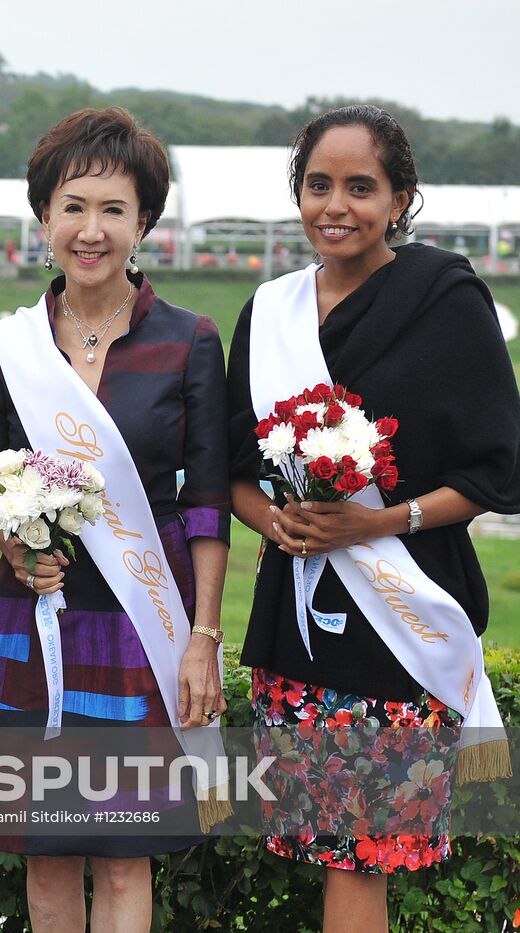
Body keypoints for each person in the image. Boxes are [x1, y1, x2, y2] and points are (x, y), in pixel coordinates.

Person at [226, 104, 520, 933]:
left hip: (404, 622)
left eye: (361, 187)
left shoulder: (447, 300)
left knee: (362, 857)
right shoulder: (271, 312)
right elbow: (227, 470)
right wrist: (274, 521)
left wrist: (380, 521)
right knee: (328, 850)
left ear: (400, 199)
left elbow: (495, 469)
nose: (336, 206)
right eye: (318, 185)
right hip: (297, 627)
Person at [0, 108, 231, 932]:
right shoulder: (7, 346)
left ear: (143, 222)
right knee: (46, 850)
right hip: (37, 618)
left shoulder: (189, 340)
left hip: (142, 620)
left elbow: (208, 503)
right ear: (43, 217)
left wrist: (202, 638)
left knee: (123, 852)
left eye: (114, 209)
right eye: (73, 206)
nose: (91, 230)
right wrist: (13, 547)